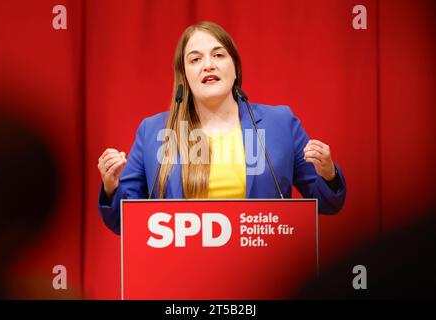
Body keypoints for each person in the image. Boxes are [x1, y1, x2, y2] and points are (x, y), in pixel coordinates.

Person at [97, 21, 347, 235]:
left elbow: (327, 204)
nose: (208, 65)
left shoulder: (280, 122)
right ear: (184, 75)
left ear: (235, 68)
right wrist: (112, 187)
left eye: (218, 55)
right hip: (180, 274)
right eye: (195, 59)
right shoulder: (153, 132)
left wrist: (327, 173)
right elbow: (123, 223)